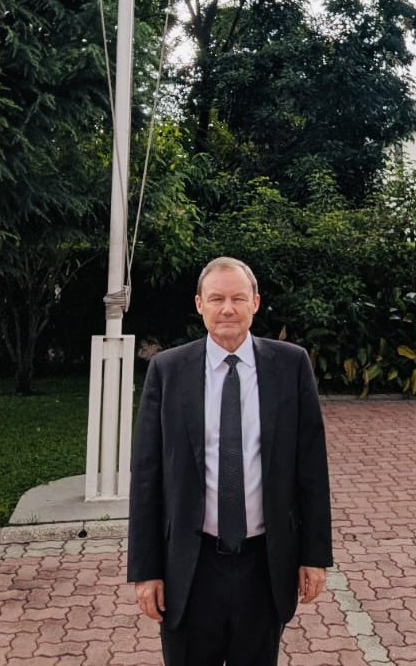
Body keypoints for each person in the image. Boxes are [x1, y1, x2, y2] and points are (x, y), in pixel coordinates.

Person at [128, 256, 333, 666]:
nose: (227, 309)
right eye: (217, 298)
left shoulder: (291, 365)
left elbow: (311, 469)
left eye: (238, 298)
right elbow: (147, 476)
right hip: (190, 566)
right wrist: (145, 569)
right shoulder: (168, 371)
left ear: (255, 303)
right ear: (199, 304)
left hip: (264, 566)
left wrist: (314, 555)